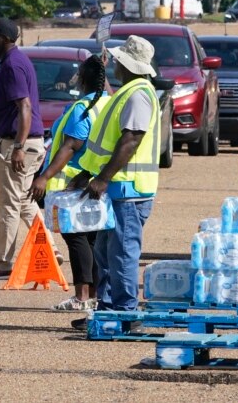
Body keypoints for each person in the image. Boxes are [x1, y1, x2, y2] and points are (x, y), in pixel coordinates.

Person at [67, 35, 161, 331]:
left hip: (128, 189)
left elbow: (131, 139)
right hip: (118, 188)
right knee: (106, 253)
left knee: (121, 253)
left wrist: (103, 178)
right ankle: (108, 311)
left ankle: (125, 313)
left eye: (118, 61)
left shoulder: (137, 94)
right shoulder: (129, 91)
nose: (114, 65)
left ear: (126, 64)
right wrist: (89, 173)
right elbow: (107, 142)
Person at [0, 17, 61, 280]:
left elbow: (25, 108)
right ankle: (50, 249)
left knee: (9, 205)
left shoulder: (13, 66)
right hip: (20, 143)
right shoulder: (16, 61)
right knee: (22, 201)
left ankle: (1, 264)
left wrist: (18, 147)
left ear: (5, 39)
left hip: (19, 144)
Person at [29, 55, 110, 312]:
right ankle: (94, 294)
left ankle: (81, 296)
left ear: (83, 79)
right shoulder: (108, 104)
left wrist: (44, 176)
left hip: (74, 183)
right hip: (99, 180)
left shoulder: (81, 109)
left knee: (76, 238)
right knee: (94, 239)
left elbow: (70, 146)